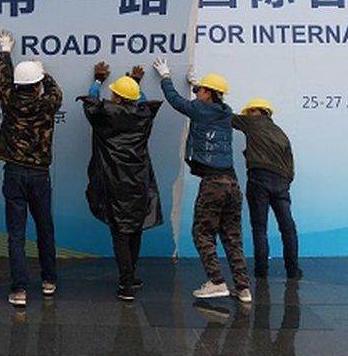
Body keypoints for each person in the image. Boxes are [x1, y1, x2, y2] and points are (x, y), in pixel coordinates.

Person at [153, 58, 251, 303]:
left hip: (213, 183)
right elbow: (205, 101)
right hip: (233, 183)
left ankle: (217, 282)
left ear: (208, 93)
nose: (198, 94)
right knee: (232, 237)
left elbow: (176, 100)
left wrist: (165, 76)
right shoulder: (226, 112)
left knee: (202, 233)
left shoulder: (198, 109)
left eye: (201, 91)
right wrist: (197, 84)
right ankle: (243, 288)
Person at [79, 62, 163, 301]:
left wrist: (97, 80)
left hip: (114, 181)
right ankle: (131, 276)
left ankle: (126, 283)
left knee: (120, 232)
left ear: (115, 96)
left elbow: (92, 102)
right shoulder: (144, 115)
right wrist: (135, 83)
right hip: (138, 181)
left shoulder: (103, 115)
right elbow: (142, 100)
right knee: (135, 229)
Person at [0, 30, 62, 308]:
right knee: (44, 228)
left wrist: (6, 51)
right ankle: (48, 281)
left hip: (13, 173)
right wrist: (43, 72)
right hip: (39, 176)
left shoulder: (9, 101)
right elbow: (57, 92)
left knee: (16, 234)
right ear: (37, 86)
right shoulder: (47, 104)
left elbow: (2, 81)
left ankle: (19, 290)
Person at [232, 98, 300, 280]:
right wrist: (285, 183)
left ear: (256, 111)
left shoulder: (253, 122)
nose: (247, 115)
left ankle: (261, 272)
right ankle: (293, 270)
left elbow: (226, 117)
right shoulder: (281, 133)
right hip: (281, 183)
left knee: (259, 228)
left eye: (249, 112)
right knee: (288, 228)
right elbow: (290, 164)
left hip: (259, 179)